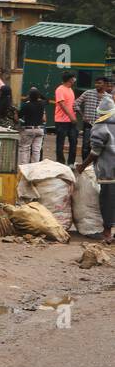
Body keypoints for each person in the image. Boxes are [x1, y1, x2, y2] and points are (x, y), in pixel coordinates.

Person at [76, 96, 115, 245]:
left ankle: (107, 232)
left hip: (109, 170)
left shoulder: (101, 125)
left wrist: (82, 166)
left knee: (107, 200)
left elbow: (95, 152)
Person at [75, 76, 110, 160]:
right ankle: (85, 165)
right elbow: (76, 104)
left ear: (105, 84)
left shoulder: (109, 97)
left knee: (98, 146)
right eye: (96, 83)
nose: (97, 85)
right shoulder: (88, 93)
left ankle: (95, 166)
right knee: (86, 145)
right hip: (88, 124)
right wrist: (83, 115)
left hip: (101, 126)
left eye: (99, 83)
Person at [52, 72, 79, 164]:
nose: (74, 80)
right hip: (61, 121)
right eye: (73, 78)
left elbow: (72, 105)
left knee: (74, 142)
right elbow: (62, 104)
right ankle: (60, 163)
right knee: (60, 143)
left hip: (71, 121)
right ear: (70, 79)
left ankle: (71, 163)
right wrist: (71, 116)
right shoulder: (60, 89)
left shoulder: (70, 90)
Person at [17, 87, 46, 164]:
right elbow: (45, 99)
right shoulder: (42, 104)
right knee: (36, 150)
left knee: (25, 148)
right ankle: (35, 167)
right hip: (40, 130)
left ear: (29, 96)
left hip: (28, 129)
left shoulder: (26, 105)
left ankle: (24, 167)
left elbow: (19, 116)